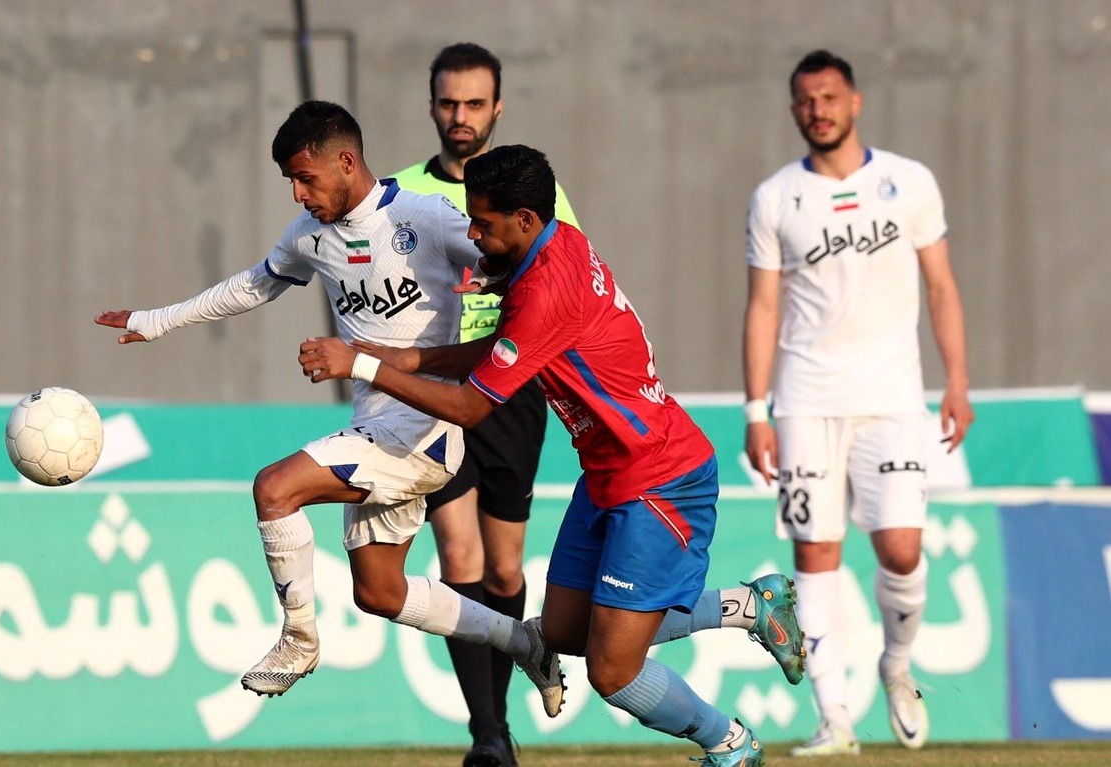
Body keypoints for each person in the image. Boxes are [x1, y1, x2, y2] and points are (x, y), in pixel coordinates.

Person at [295, 144, 805, 767]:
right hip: (609, 474)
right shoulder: (554, 244)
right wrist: (410, 357)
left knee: (613, 672)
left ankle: (730, 744)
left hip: (661, 480)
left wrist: (364, 365)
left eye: (482, 223)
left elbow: (470, 407)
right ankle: (750, 606)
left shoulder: (543, 289)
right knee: (562, 632)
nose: (473, 236)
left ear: (525, 219)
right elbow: (507, 346)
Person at [93, 101, 568, 710]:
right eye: (290, 181)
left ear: (346, 162)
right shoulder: (310, 235)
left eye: (305, 178)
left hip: (424, 432)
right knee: (379, 592)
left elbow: (511, 260)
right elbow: (252, 285)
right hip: (373, 427)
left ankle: (298, 639)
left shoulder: (425, 218)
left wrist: (494, 291)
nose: (298, 194)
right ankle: (524, 641)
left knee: (275, 489)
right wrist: (157, 320)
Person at [741, 50, 974, 756]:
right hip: (805, 401)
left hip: (892, 398)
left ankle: (896, 666)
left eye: (830, 97)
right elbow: (762, 307)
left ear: (855, 102)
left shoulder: (909, 181)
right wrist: (756, 411)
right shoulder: (776, 196)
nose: (819, 110)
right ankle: (834, 717)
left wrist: (957, 381)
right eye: (807, 100)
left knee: (901, 549)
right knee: (815, 553)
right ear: (794, 110)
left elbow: (942, 286)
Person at [391, 42, 579, 767]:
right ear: (431, 106)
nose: (460, 116)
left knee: (503, 569)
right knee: (458, 552)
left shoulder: (537, 194)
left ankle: (498, 717)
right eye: (448, 103)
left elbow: (564, 280)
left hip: (512, 391)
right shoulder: (401, 193)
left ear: (497, 107)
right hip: (437, 394)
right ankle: (488, 733)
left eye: (474, 103)